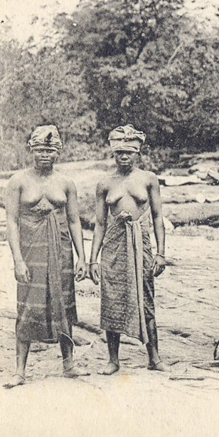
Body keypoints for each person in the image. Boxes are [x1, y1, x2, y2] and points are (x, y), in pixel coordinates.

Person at [3, 126, 88, 388]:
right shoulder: (18, 181)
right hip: (31, 250)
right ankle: (20, 371)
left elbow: (74, 221)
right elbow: (12, 222)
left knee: (64, 301)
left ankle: (68, 363)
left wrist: (82, 258)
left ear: (58, 152)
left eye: (50, 150)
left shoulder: (65, 183)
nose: (44, 155)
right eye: (40, 149)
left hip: (61, 250)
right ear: (31, 149)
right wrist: (17, 259)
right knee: (27, 305)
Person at [89, 124, 167, 375]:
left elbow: (157, 217)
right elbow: (100, 223)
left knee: (145, 297)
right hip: (113, 244)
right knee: (111, 299)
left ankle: (154, 357)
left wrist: (160, 253)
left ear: (138, 154)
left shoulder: (148, 179)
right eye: (119, 152)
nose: (124, 157)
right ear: (113, 154)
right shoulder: (104, 183)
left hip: (140, 243)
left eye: (129, 152)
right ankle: (113, 360)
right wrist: (93, 260)